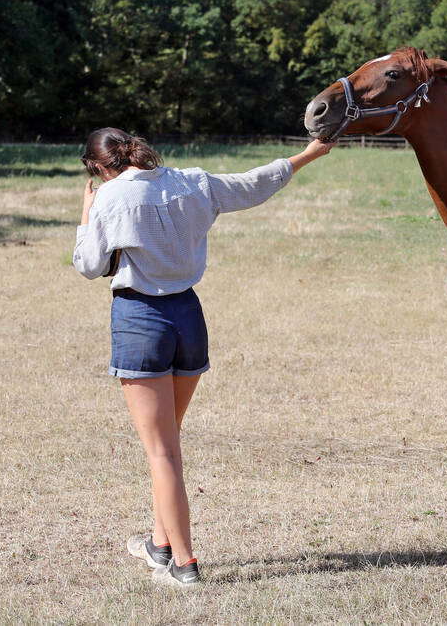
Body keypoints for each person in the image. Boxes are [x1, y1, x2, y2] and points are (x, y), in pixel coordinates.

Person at [73, 128, 334, 587]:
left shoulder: (110, 198)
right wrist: (307, 156)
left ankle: (185, 565)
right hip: (189, 319)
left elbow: (89, 265)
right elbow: (254, 183)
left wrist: (87, 214)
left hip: (140, 321)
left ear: (98, 166)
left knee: (162, 452)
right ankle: (159, 544)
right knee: (168, 443)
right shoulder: (191, 180)